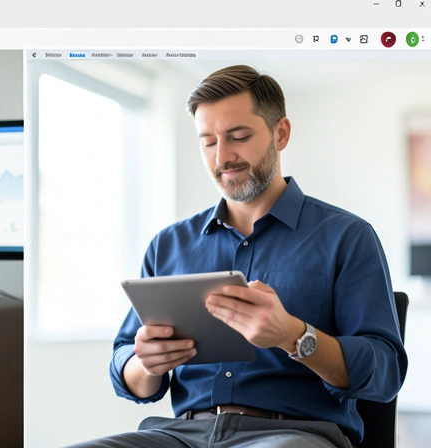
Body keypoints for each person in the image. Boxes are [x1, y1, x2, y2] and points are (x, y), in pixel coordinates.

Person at [74, 65, 408, 447]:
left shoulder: (347, 237)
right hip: (179, 436)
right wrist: (145, 364)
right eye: (208, 142)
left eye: (239, 136)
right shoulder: (168, 245)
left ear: (280, 134)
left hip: (293, 434)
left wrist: (295, 337)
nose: (223, 157)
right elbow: (125, 367)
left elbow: (385, 373)